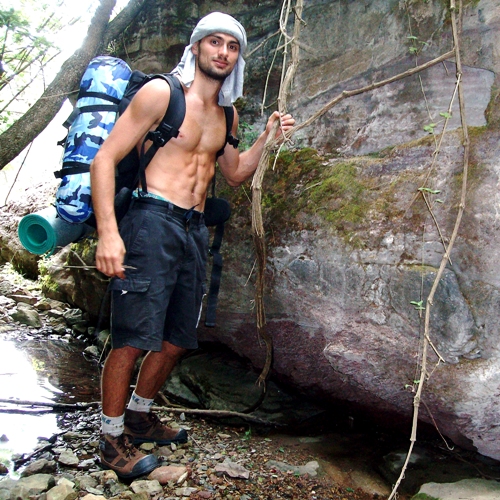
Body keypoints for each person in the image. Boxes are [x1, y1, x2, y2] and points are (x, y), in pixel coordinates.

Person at [90, 11, 295, 479]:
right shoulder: (162, 94)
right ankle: (109, 437)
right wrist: (108, 231)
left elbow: (235, 173)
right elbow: (105, 158)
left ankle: (140, 416)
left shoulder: (228, 112)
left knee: (177, 337)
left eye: (232, 46)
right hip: (150, 221)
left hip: (193, 229)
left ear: (237, 57)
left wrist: (266, 137)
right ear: (198, 47)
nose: (223, 52)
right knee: (131, 338)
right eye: (215, 42)